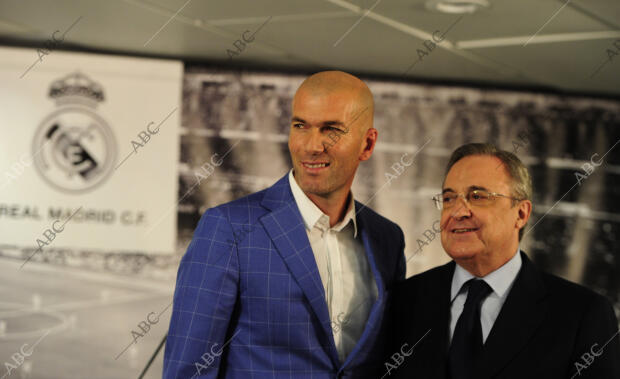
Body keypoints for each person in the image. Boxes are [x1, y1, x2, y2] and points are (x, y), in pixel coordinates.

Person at [164, 71, 406, 378]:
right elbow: (188, 370)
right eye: (300, 126)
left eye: (331, 130)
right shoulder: (228, 228)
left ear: (367, 144)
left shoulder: (388, 239)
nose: (311, 146)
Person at [387, 143, 620, 379]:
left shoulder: (582, 315)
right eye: (448, 198)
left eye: (477, 196)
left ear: (521, 213)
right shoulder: (404, 301)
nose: (457, 212)